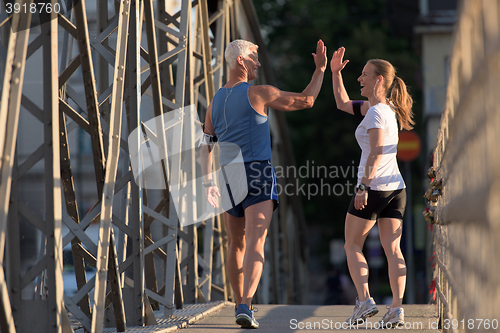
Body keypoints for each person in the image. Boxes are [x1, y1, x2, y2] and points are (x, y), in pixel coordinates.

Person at [200, 39, 327, 328]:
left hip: (227, 177)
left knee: (236, 243)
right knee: (257, 241)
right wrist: (319, 70)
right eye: (254, 58)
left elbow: (205, 145)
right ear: (241, 62)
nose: (259, 63)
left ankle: (239, 304)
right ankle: (246, 303)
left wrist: (208, 182)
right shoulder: (260, 93)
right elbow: (307, 100)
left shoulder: (214, 101)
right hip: (257, 172)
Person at [330, 47, 414, 328]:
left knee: (352, 245)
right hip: (396, 189)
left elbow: (377, 151)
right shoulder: (383, 109)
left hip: (374, 187)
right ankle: (396, 309)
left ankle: (365, 300)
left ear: (379, 80)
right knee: (394, 251)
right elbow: (343, 104)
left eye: (365, 74)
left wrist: (363, 187)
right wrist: (335, 73)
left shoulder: (377, 113)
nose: (360, 78)